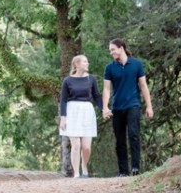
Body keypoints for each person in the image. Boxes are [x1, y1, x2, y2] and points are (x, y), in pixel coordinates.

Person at [102, 38, 153, 176]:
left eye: (113, 49)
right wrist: (105, 107)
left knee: (134, 134)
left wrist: (149, 106)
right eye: (110, 50)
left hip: (133, 104)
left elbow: (143, 86)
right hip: (117, 107)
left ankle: (136, 168)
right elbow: (106, 89)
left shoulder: (136, 64)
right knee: (120, 140)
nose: (111, 52)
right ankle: (123, 171)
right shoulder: (110, 67)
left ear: (121, 48)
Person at [59, 54, 102, 178]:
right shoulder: (67, 81)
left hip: (87, 112)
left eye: (87, 61)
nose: (87, 63)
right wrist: (63, 118)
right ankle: (77, 174)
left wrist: (103, 109)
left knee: (86, 147)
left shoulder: (91, 79)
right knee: (76, 145)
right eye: (84, 62)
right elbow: (63, 100)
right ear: (77, 64)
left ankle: (84, 166)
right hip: (72, 112)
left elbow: (97, 96)